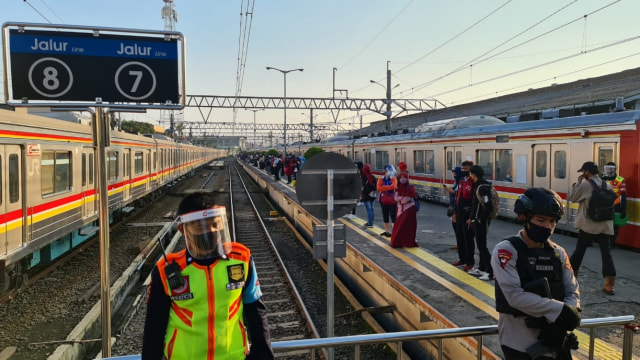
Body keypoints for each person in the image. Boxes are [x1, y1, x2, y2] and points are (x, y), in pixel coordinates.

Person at [142, 192, 274, 360]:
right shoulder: (166, 271)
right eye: (200, 226)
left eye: (214, 224)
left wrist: (263, 356)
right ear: (183, 230)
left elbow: (256, 312)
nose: (210, 231)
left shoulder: (241, 259)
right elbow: (154, 327)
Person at [492, 187, 581, 360]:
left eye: (552, 221)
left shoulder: (558, 253)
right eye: (541, 220)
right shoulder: (506, 251)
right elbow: (514, 296)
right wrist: (560, 311)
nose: (547, 226)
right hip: (519, 341)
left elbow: (572, 290)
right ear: (524, 217)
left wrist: (565, 318)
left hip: (556, 341)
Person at [569, 161, 617, 295]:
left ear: (586, 172)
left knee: (579, 251)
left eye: (583, 172)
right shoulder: (606, 184)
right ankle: (609, 285)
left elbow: (573, 198)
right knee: (606, 254)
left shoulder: (585, 184)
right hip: (605, 225)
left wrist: (577, 183)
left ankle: (570, 280)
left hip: (588, 224)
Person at [467, 165, 493, 281]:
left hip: (481, 221)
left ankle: (491, 272)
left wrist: (480, 219)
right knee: (480, 245)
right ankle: (482, 268)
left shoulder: (482, 187)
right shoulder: (479, 185)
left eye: (470, 173)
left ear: (474, 174)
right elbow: (475, 204)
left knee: (482, 246)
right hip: (477, 219)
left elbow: (488, 206)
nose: (469, 176)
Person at [452, 160, 475, 272]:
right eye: (463, 169)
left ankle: (470, 262)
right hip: (460, 211)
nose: (464, 171)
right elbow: (458, 197)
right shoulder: (461, 181)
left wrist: (471, 217)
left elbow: (474, 201)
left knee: (468, 238)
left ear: (471, 169)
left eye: (466, 169)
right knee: (459, 235)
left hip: (468, 212)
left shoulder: (473, 182)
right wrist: (455, 213)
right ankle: (462, 258)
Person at [602, 162, 627, 249]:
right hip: (604, 205)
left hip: (616, 205)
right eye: (607, 169)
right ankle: (603, 242)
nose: (609, 171)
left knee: (614, 226)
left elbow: (623, 195)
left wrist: (623, 208)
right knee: (603, 224)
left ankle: (612, 243)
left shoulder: (620, 180)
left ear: (614, 169)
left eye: (610, 169)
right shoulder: (603, 180)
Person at [390, 172, 418, 248]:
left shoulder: (410, 187)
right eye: (401, 178)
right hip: (401, 209)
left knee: (408, 226)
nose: (403, 179)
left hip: (409, 209)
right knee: (399, 225)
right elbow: (396, 198)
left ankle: (407, 242)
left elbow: (407, 198)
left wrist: (401, 199)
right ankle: (397, 242)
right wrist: (402, 199)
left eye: (404, 177)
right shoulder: (398, 187)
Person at [444, 167, 463, 251]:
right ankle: (459, 243)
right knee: (455, 226)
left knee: (459, 227)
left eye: (455, 173)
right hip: (454, 207)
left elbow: (460, 194)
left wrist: (451, 191)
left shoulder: (461, 182)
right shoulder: (456, 182)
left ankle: (461, 245)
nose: (454, 175)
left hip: (458, 208)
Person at [377, 164, 398, 237]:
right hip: (383, 200)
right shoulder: (380, 179)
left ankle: (394, 232)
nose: (391, 173)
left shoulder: (393, 178)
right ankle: (387, 231)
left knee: (393, 216)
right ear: (385, 171)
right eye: (389, 171)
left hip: (392, 199)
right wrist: (389, 187)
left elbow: (394, 186)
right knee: (385, 216)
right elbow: (378, 188)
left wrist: (384, 187)